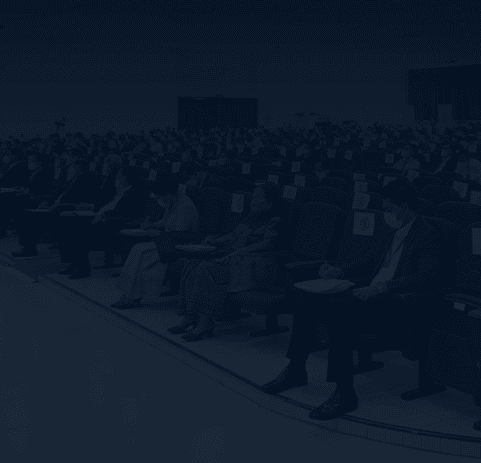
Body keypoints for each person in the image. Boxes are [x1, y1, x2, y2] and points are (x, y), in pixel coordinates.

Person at [261, 178, 444, 420]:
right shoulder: (390, 229)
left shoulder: (428, 235)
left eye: (389, 208)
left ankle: (344, 391)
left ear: (404, 207)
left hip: (395, 302)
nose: (385, 213)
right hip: (368, 293)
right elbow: (369, 259)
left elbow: (426, 277)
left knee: (338, 309)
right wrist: (340, 271)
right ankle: (296, 369)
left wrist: (382, 287)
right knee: (306, 300)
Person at [169, 182, 285, 340]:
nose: (252, 201)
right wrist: (214, 240)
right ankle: (191, 315)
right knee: (191, 264)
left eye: (258, 197)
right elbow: (233, 235)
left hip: (248, 265)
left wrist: (240, 252)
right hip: (230, 258)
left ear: (270, 203)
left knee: (205, 268)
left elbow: (268, 243)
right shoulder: (251, 217)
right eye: (253, 196)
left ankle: (206, 322)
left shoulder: (275, 221)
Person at [110, 178, 200, 308]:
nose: (159, 200)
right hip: (166, 242)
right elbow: (164, 222)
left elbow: (180, 235)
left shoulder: (185, 207)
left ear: (168, 194)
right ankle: (128, 295)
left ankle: (131, 297)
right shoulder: (172, 202)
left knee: (142, 253)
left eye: (159, 197)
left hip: (180, 246)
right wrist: (151, 225)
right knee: (137, 248)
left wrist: (157, 233)